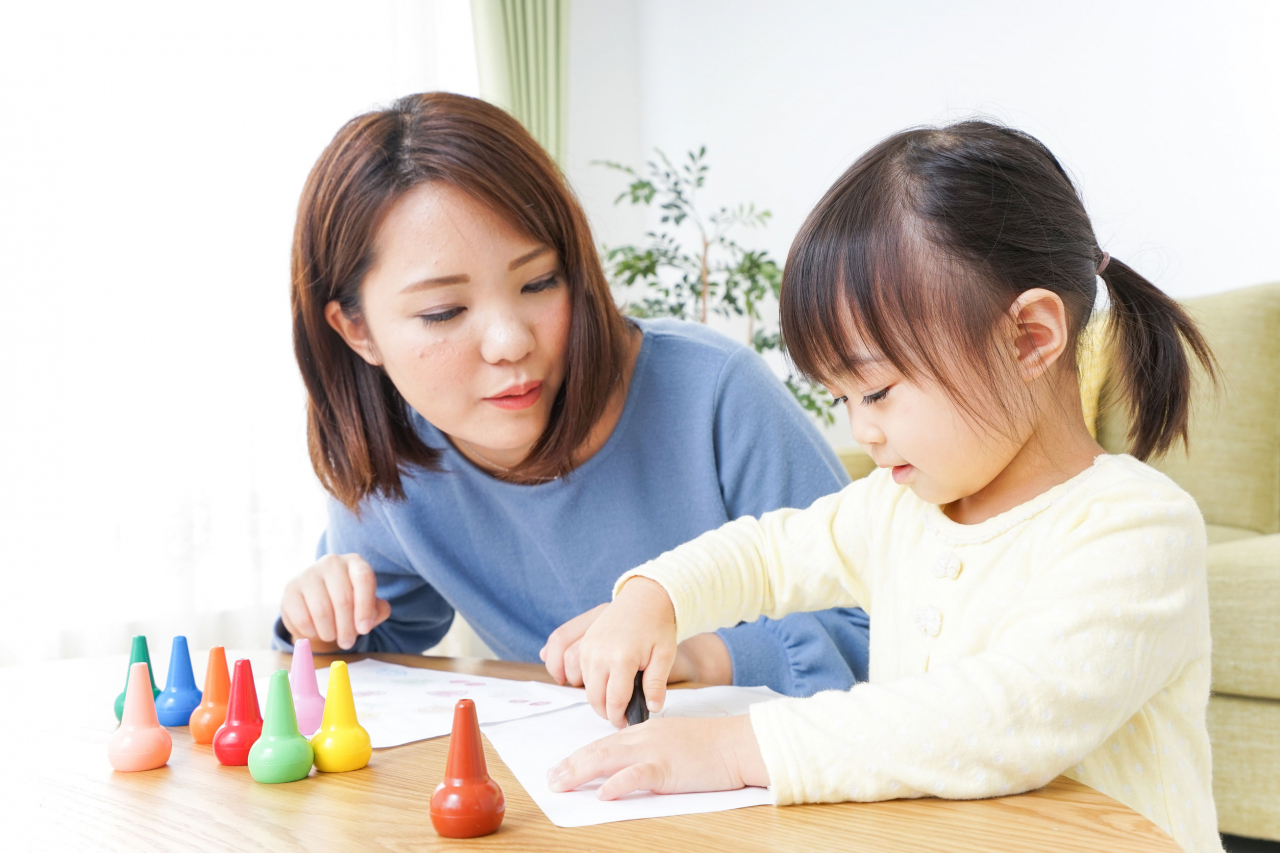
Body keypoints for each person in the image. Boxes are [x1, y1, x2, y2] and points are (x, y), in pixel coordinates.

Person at [550, 121, 1221, 853]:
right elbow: (770, 553)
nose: (861, 428)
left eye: (875, 390)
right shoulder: (900, 504)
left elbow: (996, 720)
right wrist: (656, 596)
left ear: (1029, 337)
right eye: (841, 398)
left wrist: (737, 748)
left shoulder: (1136, 528)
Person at [275, 91, 870, 697]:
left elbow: (881, 624)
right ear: (356, 330)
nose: (510, 342)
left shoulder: (713, 395)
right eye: (444, 311)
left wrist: (704, 657)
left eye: (539, 282)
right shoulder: (394, 457)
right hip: (572, 781)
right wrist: (321, 622)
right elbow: (376, 648)